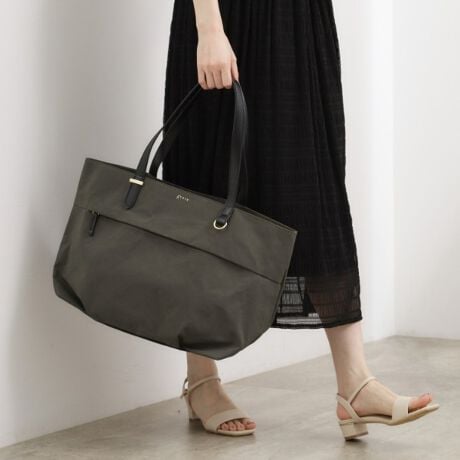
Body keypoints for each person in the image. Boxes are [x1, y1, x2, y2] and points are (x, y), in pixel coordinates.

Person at [158, 0, 439, 439]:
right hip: (227, 17)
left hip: (301, 21)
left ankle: (355, 383)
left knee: (318, 194)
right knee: (206, 196)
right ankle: (202, 380)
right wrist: (209, 27)